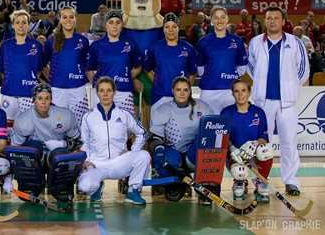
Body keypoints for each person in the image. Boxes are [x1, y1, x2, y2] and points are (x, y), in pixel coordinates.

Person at [247, 6, 309, 196]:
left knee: (289, 142)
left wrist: (289, 87)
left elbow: (303, 69)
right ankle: (260, 179)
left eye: (276, 18)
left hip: (286, 103)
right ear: (264, 21)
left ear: (283, 21)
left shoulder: (294, 42)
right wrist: (260, 86)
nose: (272, 21)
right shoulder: (255, 42)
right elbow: (251, 68)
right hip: (262, 102)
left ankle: (291, 181)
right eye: (268, 18)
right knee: (261, 143)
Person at [77, 77, 150, 205]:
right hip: (97, 164)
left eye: (109, 90)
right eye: (102, 91)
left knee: (143, 155)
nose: (105, 94)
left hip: (119, 163)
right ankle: (96, 187)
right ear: (97, 93)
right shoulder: (88, 117)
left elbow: (142, 132)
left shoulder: (124, 114)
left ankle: (133, 190)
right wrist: (87, 160)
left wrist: (132, 151)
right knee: (84, 186)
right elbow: (85, 142)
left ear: (114, 92)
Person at [9, 83, 84, 202]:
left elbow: (78, 143)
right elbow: (15, 149)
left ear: (51, 100)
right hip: (36, 160)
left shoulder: (65, 115)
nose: (43, 102)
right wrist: (10, 177)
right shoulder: (23, 119)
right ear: (34, 100)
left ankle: (61, 186)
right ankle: (30, 185)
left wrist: (63, 144)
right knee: (31, 149)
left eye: (47, 98)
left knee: (61, 154)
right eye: (40, 98)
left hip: (56, 157)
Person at [149, 76, 213, 204]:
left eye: (185, 90)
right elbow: (154, 138)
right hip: (173, 153)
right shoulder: (163, 110)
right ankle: (177, 184)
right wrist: (159, 150)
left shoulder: (202, 107)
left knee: (205, 141)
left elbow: (214, 129)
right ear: (173, 91)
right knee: (163, 161)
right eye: (178, 90)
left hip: (193, 153)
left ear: (190, 91)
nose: (182, 93)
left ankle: (207, 184)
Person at [221, 80, 273, 203]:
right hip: (235, 154)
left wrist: (253, 145)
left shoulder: (258, 112)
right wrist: (232, 148)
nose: (240, 94)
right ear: (232, 94)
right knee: (240, 173)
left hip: (252, 153)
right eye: (236, 91)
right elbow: (223, 136)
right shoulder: (226, 112)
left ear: (249, 92)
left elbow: (263, 137)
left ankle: (261, 180)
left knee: (265, 151)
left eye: (243, 90)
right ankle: (240, 182)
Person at [87, 10, 141, 114]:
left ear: (122, 25)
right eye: (111, 22)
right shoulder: (96, 45)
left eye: (118, 22)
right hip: (102, 93)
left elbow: (138, 66)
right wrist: (97, 84)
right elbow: (89, 69)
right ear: (106, 25)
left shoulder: (130, 44)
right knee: (101, 126)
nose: (114, 25)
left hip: (123, 92)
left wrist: (128, 77)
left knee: (124, 126)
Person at [44, 6, 90, 125]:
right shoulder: (51, 40)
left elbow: (87, 64)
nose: (68, 20)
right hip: (57, 90)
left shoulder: (83, 41)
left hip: (78, 89)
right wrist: (52, 77)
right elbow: (43, 63)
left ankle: (79, 143)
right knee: (58, 124)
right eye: (64, 17)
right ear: (59, 19)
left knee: (80, 124)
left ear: (75, 19)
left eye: (71, 17)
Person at [197, 6, 247, 113]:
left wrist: (228, 76)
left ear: (227, 19)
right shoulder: (203, 42)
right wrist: (213, 76)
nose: (219, 20)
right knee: (208, 126)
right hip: (208, 91)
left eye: (222, 17)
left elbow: (242, 68)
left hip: (230, 92)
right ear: (211, 21)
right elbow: (200, 69)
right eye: (216, 18)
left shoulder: (237, 41)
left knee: (230, 127)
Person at [0, 10, 44, 125]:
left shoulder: (37, 46)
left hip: (29, 94)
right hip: (9, 93)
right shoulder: (5, 45)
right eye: (17, 22)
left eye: (24, 22)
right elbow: (2, 70)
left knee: (27, 128)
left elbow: (39, 70)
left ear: (28, 25)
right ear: (13, 25)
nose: (21, 25)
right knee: (6, 128)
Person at [145, 13, 197, 112]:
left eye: (174, 26)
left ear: (178, 28)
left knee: (181, 127)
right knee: (157, 127)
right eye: (167, 27)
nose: (170, 30)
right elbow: (147, 69)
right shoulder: (155, 47)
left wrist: (184, 92)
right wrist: (157, 82)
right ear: (163, 29)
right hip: (159, 97)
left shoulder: (188, 48)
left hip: (181, 99)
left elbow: (192, 74)